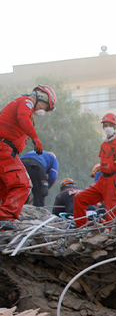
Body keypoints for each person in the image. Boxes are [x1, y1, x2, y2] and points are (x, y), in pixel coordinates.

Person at [0, 84, 56, 230]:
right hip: (4, 150)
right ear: (41, 97)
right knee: (23, 184)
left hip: (5, 149)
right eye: (45, 106)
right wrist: (35, 138)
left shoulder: (24, 107)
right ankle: (4, 218)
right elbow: (22, 117)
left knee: (5, 189)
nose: (43, 110)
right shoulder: (27, 101)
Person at [74, 113, 116, 228]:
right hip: (103, 180)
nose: (107, 127)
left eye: (110, 125)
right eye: (105, 125)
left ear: (115, 126)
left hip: (114, 181)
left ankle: (111, 239)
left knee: (111, 213)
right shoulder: (104, 144)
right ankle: (80, 228)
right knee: (79, 198)